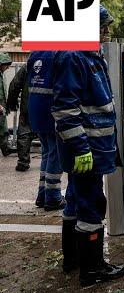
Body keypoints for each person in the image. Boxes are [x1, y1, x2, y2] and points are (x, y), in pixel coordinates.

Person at [52, 4, 124, 286]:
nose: (106, 32)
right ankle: (92, 269)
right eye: (102, 26)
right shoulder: (75, 56)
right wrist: (81, 148)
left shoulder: (87, 56)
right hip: (88, 149)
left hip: (94, 146)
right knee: (91, 203)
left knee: (76, 199)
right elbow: (65, 110)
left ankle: (74, 260)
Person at [27, 51, 67, 211]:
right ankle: (52, 197)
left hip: (36, 109)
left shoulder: (35, 53)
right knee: (55, 154)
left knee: (47, 152)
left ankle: (42, 194)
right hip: (51, 109)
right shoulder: (58, 54)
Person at [7, 63, 38, 170]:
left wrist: (11, 103)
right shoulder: (56, 62)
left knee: (24, 133)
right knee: (52, 134)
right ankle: (53, 162)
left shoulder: (28, 66)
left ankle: (23, 162)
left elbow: (14, 85)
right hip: (49, 107)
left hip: (28, 106)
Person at [0, 53, 18, 157]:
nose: (7, 67)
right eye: (6, 65)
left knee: (3, 128)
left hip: (2, 105)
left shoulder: (2, 74)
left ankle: (5, 148)